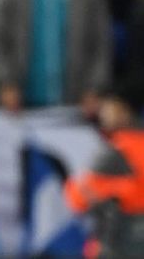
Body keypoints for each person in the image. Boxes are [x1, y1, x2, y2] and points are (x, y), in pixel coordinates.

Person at [64, 80, 144, 258]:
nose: (102, 112)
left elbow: (77, 198)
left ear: (124, 111)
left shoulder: (114, 152)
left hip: (116, 244)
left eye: (108, 106)